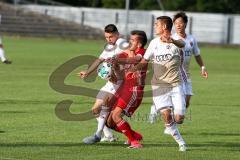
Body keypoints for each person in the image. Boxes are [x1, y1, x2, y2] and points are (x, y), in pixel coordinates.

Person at [130, 16, 187, 151]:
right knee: (167, 116)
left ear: (164, 27)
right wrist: (132, 70)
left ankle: (165, 115)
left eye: (157, 25)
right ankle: (181, 143)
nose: (155, 27)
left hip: (175, 84)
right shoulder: (154, 43)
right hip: (159, 85)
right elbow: (144, 61)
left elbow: (183, 45)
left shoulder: (176, 40)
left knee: (179, 118)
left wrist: (172, 40)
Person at [149, 12, 208, 124]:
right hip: (174, 74)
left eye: (180, 23)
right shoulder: (171, 38)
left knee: (187, 101)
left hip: (186, 74)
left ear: (185, 24)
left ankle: (170, 119)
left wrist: (203, 67)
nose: (178, 25)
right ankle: (164, 117)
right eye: (176, 23)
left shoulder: (191, 39)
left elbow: (197, 54)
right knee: (173, 100)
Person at [78, 24, 128, 143]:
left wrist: (119, 66)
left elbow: (131, 58)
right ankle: (108, 135)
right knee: (95, 110)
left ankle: (100, 134)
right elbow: (99, 60)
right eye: (106, 37)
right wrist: (87, 72)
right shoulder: (109, 46)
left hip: (121, 83)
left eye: (111, 37)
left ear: (117, 34)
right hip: (111, 82)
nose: (108, 39)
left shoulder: (123, 44)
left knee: (110, 113)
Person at [106, 30, 148, 149]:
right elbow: (119, 72)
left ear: (139, 44)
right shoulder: (126, 54)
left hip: (134, 90)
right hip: (124, 89)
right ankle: (136, 136)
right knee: (109, 122)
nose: (129, 42)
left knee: (116, 116)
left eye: (132, 40)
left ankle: (135, 142)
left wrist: (117, 60)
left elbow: (135, 60)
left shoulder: (143, 52)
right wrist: (112, 66)